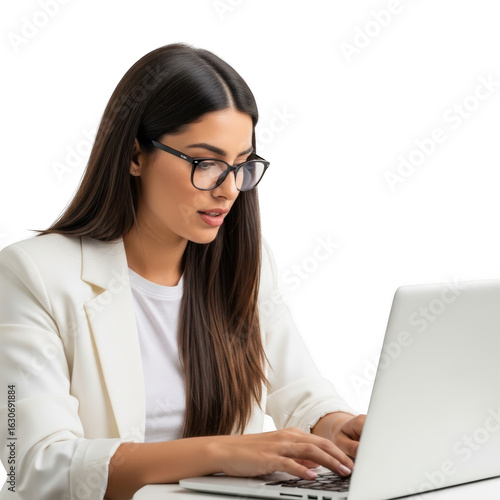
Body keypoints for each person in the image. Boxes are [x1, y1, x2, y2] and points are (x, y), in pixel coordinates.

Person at [0, 42, 366, 500]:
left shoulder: (243, 262)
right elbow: (34, 465)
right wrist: (220, 452)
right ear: (135, 155)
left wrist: (336, 426)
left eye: (241, 166)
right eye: (206, 163)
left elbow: (299, 389)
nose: (229, 190)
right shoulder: (32, 273)